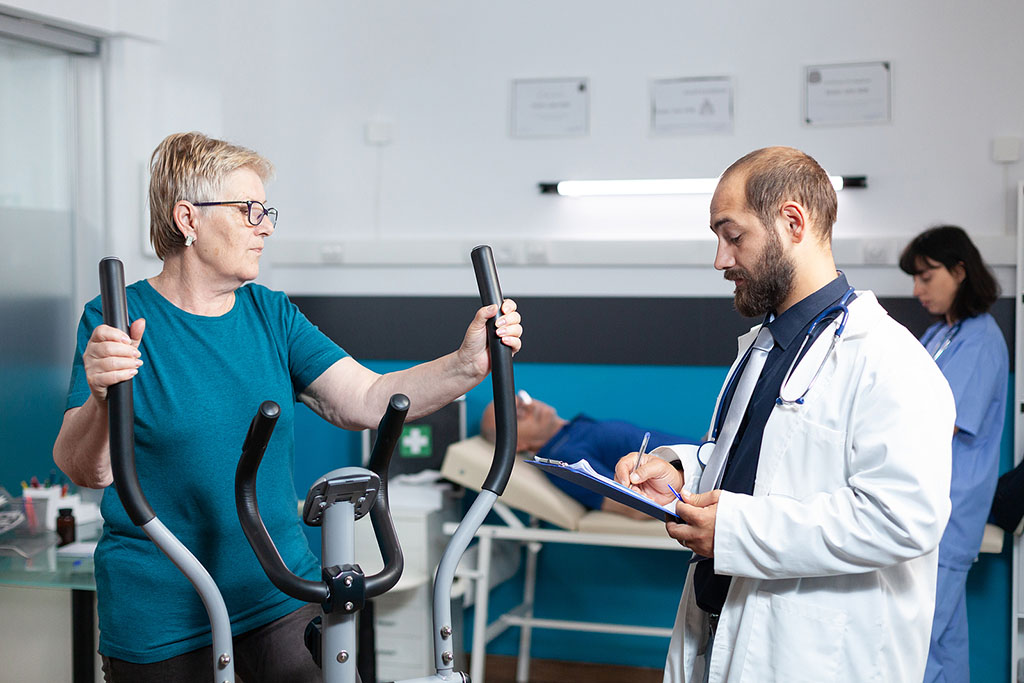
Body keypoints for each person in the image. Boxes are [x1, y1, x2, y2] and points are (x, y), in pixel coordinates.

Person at [51, 132, 522, 682]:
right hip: (163, 615)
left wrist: (466, 364)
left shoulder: (270, 314)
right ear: (188, 219)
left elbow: (369, 399)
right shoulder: (115, 319)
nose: (266, 226)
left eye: (266, 211)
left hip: (279, 591)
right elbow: (89, 469)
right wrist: (104, 396)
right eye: (250, 210)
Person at [614, 147, 955, 683]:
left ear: (791, 221)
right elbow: (758, 467)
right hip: (719, 625)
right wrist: (681, 472)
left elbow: (902, 518)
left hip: (814, 654)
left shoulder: (888, 359)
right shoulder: (764, 348)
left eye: (733, 236)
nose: (720, 259)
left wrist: (737, 530)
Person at [899, 225, 1008, 683]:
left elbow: (938, 422)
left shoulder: (979, 341)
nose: (917, 288)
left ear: (960, 271)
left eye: (927, 276)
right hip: (929, 504)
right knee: (943, 643)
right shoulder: (940, 334)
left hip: (948, 509)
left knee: (917, 642)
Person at [478, 393, 694, 519]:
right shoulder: (563, 456)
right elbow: (633, 506)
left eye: (522, 399)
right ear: (518, 444)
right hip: (702, 485)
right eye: (518, 414)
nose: (529, 406)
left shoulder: (573, 432)